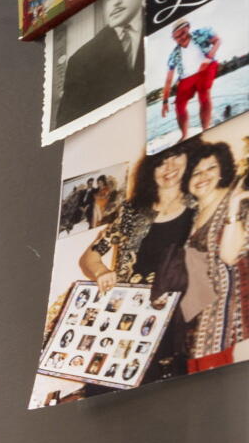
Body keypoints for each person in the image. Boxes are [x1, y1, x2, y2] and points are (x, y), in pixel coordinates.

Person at [87, 141, 209, 378]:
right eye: (160, 162)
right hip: (131, 314)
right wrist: (101, 271)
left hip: (180, 318)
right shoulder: (133, 211)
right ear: (150, 169)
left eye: (176, 156)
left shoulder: (200, 207)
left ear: (189, 159)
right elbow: (91, 256)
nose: (169, 167)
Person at [187, 143, 249, 369]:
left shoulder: (237, 202)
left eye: (211, 168)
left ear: (223, 171)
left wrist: (233, 207)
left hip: (224, 318)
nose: (202, 176)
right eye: (196, 172)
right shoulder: (193, 213)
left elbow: (230, 256)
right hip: (194, 319)